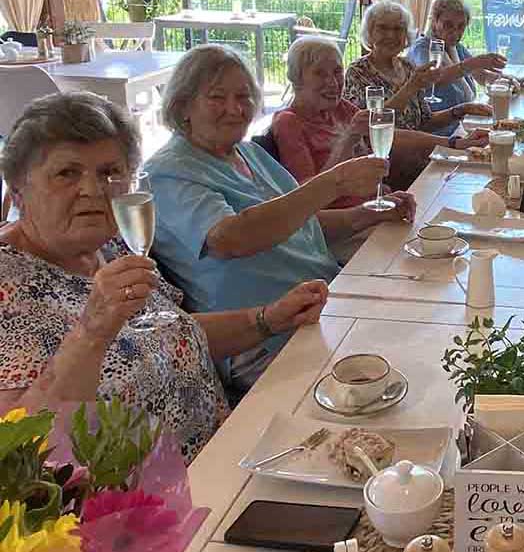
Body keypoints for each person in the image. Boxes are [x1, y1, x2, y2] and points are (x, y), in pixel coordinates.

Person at [0, 92, 330, 462]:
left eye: (110, 172)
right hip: (132, 510)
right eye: (66, 173)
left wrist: (266, 319)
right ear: (18, 191)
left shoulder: (110, 246)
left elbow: (172, 332)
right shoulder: (9, 286)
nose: (92, 190)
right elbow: (21, 450)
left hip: (225, 454)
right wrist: (91, 333)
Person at [144, 44, 416, 393]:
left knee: (422, 328)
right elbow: (231, 238)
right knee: (395, 377)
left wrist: (367, 215)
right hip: (264, 337)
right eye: (216, 97)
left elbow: (301, 222)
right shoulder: (168, 173)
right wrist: (335, 182)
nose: (234, 108)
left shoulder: (248, 152)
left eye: (243, 96)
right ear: (182, 106)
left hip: (324, 300)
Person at [342, 1, 490, 187]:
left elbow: (424, 121)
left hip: (418, 160)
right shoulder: (358, 72)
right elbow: (372, 129)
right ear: (369, 33)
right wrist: (410, 88)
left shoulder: (407, 67)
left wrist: (461, 110)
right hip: (385, 170)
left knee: (478, 176)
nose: (391, 35)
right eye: (383, 28)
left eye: (398, 29)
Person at [273, 36, 371, 209]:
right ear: (297, 79)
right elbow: (308, 195)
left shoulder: (339, 107)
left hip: (375, 204)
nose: (333, 83)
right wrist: (348, 140)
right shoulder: (289, 122)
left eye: (337, 72)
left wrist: (434, 143)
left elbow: (387, 135)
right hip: (344, 221)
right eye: (320, 73)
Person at [406, 0, 507, 136]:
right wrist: (475, 62)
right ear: (435, 21)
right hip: (438, 132)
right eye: (448, 25)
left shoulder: (455, 47)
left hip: (463, 125)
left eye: (461, 26)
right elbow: (435, 78)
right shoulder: (422, 48)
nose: (455, 32)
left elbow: (480, 75)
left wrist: (507, 80)